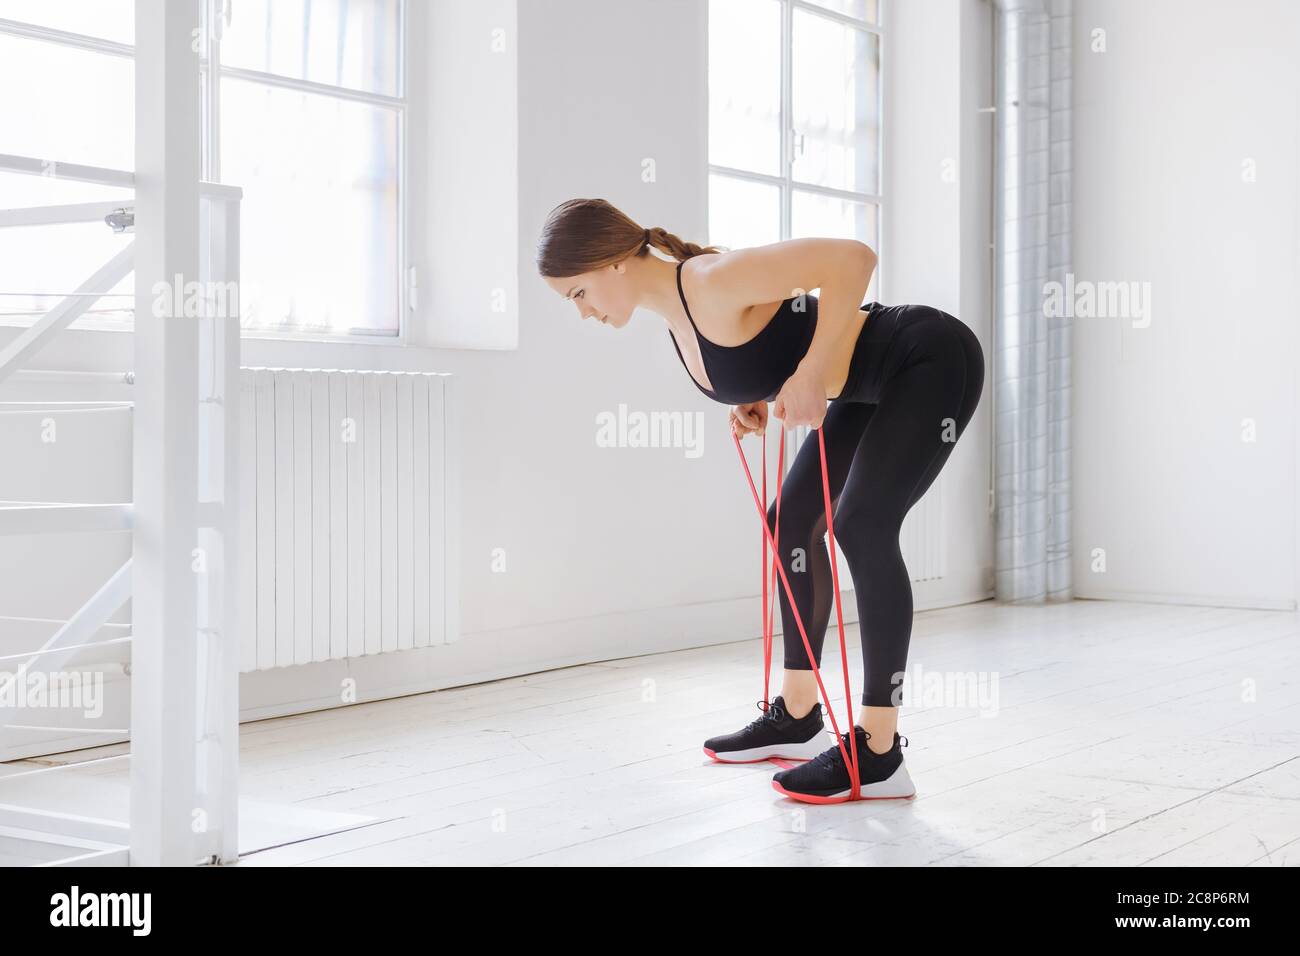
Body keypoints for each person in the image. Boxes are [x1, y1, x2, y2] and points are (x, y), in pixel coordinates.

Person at [537, 198, 984, 803]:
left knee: (862, 525)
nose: (583, 313)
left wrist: (809, 372)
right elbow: (775, 335)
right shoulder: (678, 315)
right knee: (791, 521)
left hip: (926, 357)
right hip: (868, 384)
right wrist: (765, 388)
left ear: (613, 263)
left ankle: (879, 751)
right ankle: (799, 717)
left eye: (577, 294)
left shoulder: (708, 281)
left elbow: (853, 260)